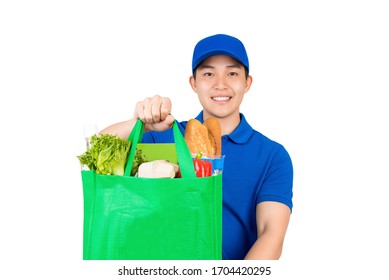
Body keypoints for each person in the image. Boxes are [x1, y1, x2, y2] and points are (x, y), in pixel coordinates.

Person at [100, 34, 293, 260]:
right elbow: (96, 153)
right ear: (193, 83)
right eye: (208, 73)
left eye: (232, 73)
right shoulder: (165, 135)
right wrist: (141, 125)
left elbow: (271, 235)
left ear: (247, 83)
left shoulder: (272, 156)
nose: (220, 84)